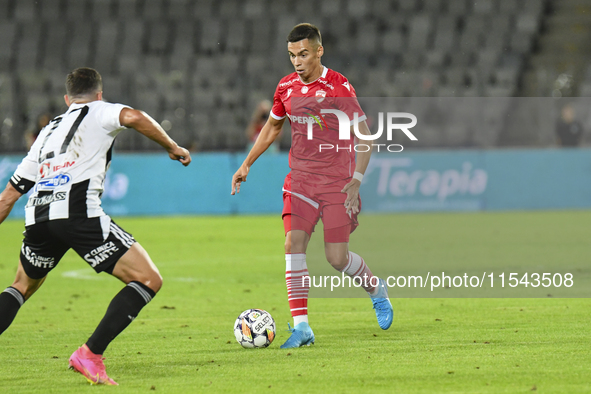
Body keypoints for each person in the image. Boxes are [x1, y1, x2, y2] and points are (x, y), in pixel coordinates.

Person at [0, 68, 191, 385]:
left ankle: (88, 353)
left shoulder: (48, 130)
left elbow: (8, 197)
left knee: (22, 286)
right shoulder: (101, 110)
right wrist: (171, 145)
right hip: (76, 212)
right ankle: (90, 353)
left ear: (67, 99)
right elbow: (133, 116)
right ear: (99, 94)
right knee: (147, 278)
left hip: (37, 214)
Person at [231, 24, 393, 349]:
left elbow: (365, 137)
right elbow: (273, 127)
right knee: (293, 244)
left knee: (337, 258)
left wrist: (356, 181)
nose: (297, 61)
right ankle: (303, 328)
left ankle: (376, 289)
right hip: (301, 179)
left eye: (303, 54)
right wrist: (247, 162)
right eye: (292, 55)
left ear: (319, 51)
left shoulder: (339, 87)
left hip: (336, 182)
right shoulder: (286, 87)